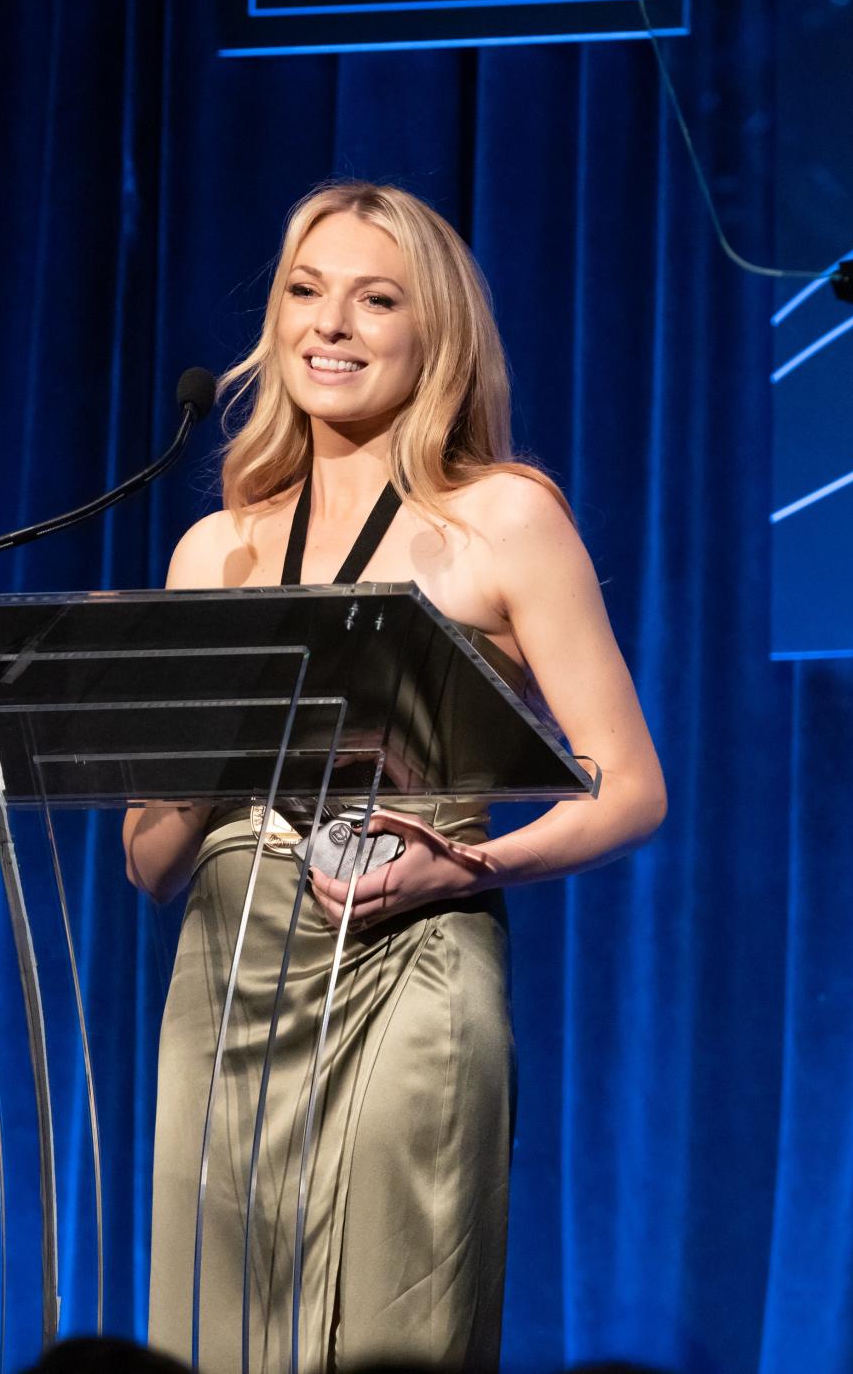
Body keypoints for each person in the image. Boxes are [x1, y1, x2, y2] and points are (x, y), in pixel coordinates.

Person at [123, 182, 666, 1374]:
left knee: (397, 1331)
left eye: (377, 300)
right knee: (215, 1334)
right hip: (226, 978)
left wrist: (460, 864)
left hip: (412, 955)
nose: (332, 325)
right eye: (305, 293)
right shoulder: (213, 549)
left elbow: (628, 786)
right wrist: (202, 742)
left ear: (438, 336)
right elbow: (151, 861)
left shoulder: (504, 518)